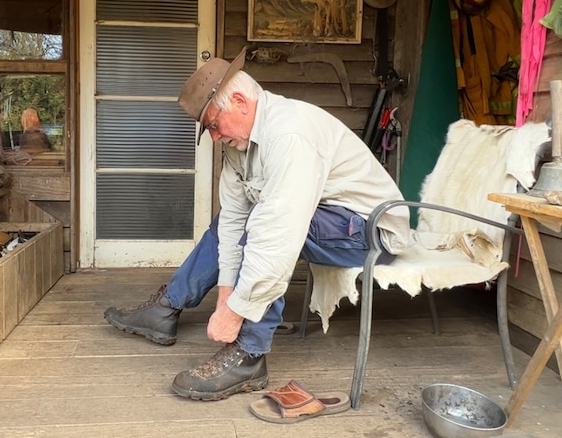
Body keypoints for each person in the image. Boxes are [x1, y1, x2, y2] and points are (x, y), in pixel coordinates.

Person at [104, 48, 411, 401]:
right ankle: (167, 307)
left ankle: (249, 355)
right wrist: (225, 296)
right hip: (324, 222)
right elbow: (232, 222)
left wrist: (237, 313)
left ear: (239, 101)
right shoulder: (240, 145)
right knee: (237, 219)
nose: (215, 137)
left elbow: (278, 236)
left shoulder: (289, 135)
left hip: (369, 233)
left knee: (265, 222)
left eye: (214, 125)